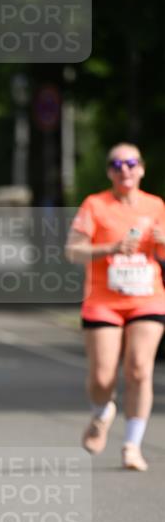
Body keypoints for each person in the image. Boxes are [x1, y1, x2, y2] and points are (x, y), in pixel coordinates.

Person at [66, 142, 165, 471]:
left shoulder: (156, 205)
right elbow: (73, 251)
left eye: (132, 162)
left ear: (142, 169)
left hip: (147, 296)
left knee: (139, 368)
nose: (125, 169)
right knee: (102, 377)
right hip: (103, 300)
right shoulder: (95, 205)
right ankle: (102, 411)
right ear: (110, 171)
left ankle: (132, 445)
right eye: (118, 163)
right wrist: (111, 247)